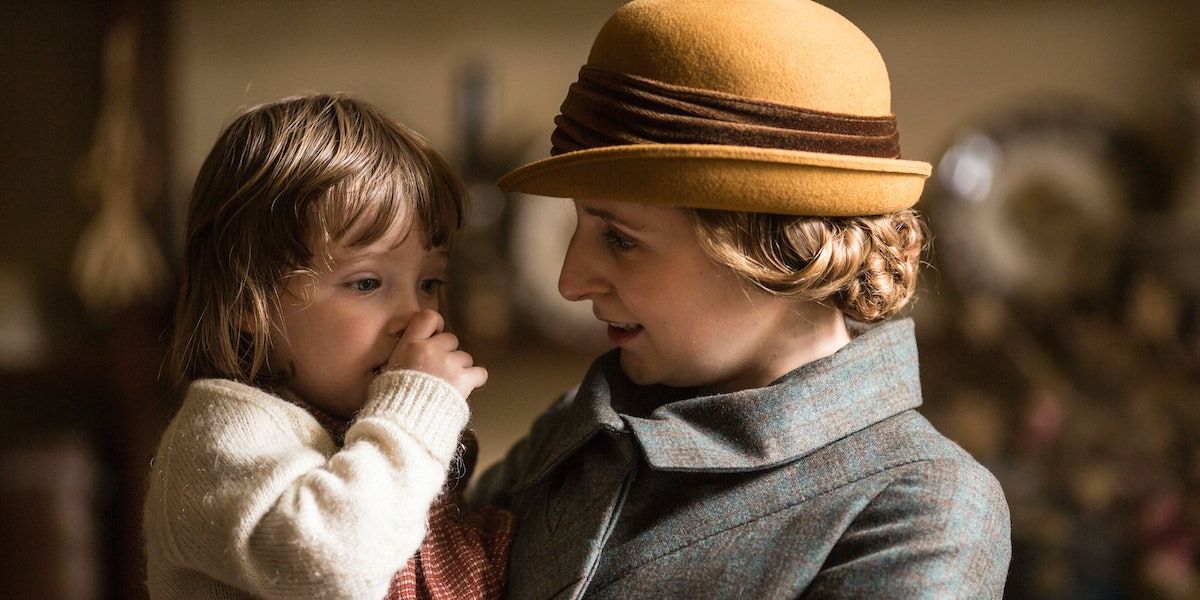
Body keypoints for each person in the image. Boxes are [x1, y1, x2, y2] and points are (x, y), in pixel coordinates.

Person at [472, 1, 1011, 598]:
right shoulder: (576, 430)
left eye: (621, 240)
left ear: (778, 251)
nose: (570, 283)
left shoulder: (916, 507)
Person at [144, 94, 512, 600]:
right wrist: (414, 413)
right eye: (366, 284)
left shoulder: (354, 426)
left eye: (429, 283)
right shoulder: (219, 436)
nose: (420, 317)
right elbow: (333, 565)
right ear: (249, 299)